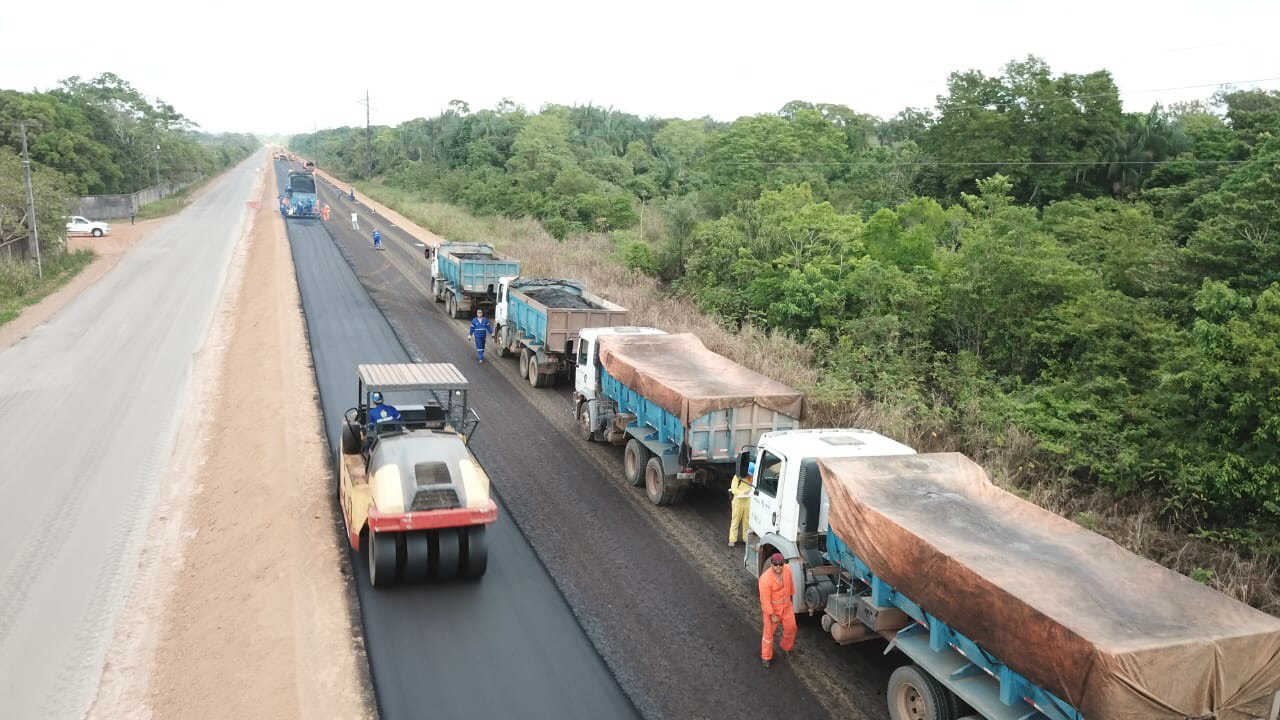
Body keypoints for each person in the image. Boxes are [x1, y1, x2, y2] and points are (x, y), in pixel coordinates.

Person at [758, 552, 796, 668]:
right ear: (771, 564)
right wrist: (772, 614)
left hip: (786, 606)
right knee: (768, 634)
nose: (778, 567)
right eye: (775, 564)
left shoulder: (788, 570)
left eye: (780, 564)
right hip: (772, 609)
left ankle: (785, 647)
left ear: (783, 563)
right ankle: (766, 657)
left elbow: (791, 585)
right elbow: (765, 600)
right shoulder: (765, 579)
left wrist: (791, 598)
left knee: (791, 628)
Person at [728, 462, 755, 546]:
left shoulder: (752, 478)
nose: (749, 476)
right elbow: (733, 489)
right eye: (749, 474)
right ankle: (732, 540)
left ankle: (745, 539)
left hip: (747, 502)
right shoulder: (737, 477)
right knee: (735, 521)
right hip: (738, 502)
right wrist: (743, 493)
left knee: (746, 522)